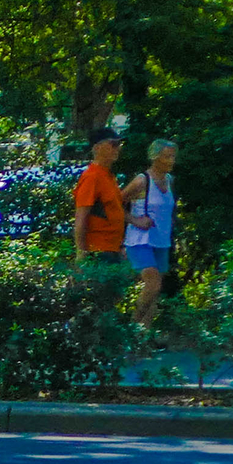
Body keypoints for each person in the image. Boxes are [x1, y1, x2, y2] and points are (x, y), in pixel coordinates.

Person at [122, 138, 176, 325]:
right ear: (155, 157)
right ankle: (133, 326)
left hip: (161, 241)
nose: (172, 160)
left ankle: (145, 334)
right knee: (153, 283)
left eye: (173, 156)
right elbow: (114, 205)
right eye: (168, 156)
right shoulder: (142, 181)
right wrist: (135, 220)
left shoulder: (169, 181)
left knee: (156, 289)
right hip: (140, 240)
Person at [70, 130, 125, 264]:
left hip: (112, 249)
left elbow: (113, 211)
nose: (117, 148)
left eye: (119, 145)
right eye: (113, 144)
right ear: (97, 148)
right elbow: (81, 217)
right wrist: (81, 253)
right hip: (98, 252)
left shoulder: (108, 176)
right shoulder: (92, 177)